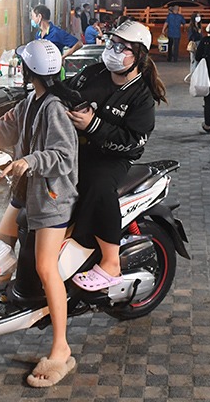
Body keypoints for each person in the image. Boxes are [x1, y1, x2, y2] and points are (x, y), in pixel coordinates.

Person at [0, 40, 79, 388]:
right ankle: (10, 305)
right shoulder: (31, 101)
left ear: (28, 71)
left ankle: (62, 349)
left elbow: (64, 154)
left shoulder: (55, 107)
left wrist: (28, 162)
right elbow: (5, 129)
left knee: (47, 268)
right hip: (25, 192)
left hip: (51, 199)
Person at [62, 20, 166, 292]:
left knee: (98, 185)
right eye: (111, 43)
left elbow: (133, 141)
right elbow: (66, 91)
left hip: (114, 158)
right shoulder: (93, 72)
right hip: (77, 148)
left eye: (123, 47)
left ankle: (111, 264)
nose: (113, 50)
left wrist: (93, 125)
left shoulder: (141, 96)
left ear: (139, 56)